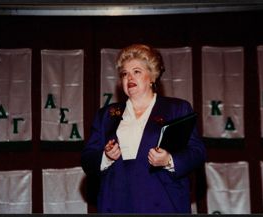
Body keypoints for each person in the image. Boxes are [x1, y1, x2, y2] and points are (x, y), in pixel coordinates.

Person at [81, 44, 206, 213]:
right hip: (116, 203)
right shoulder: (107, 114)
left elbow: (197, 152)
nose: (129, 77)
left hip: (163, 202)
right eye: (124, 74)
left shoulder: (177, 109)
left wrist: (169, 160)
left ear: (152, 77)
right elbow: (88, 158)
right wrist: (106, 157)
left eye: (136, 71)